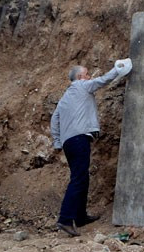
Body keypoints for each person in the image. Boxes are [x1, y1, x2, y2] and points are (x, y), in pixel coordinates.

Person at [50, 59, 132, 236]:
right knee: (79, 179)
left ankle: (79, 216)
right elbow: (102, 81)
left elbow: (54, 119)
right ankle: (65, 219)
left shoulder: (65, 97)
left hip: (68, 143)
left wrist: (57, 142)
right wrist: (119, 68)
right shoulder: (82, 85)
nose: (89, 77)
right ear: (80, 77)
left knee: (81, 178)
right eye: (87, 74)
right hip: (80, 139)